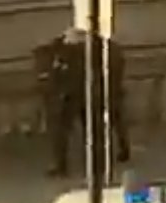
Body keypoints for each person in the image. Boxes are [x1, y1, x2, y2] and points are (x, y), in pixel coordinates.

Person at [33, 28, 131, 177]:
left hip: (88, 93)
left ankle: (71, 164)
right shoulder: (104, 47)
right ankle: (87, 163)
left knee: (83, 128)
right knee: (85, 128)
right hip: (79, 93)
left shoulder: (101, 48)